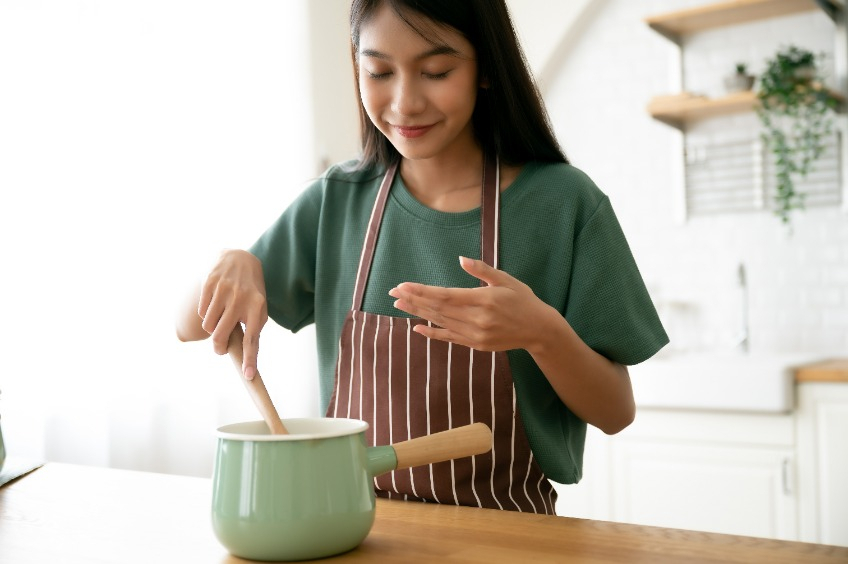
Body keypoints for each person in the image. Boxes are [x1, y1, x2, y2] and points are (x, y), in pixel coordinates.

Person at [176, 0, 668, 515]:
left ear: (485, 68)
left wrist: (541, 333)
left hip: (509, 537)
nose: (405, 102)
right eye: (379, 71)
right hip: (355, 529)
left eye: (436, 71)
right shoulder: (338, 201)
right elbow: (187, 325)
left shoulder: (565, 205)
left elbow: (616, 413)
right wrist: (234, 262)